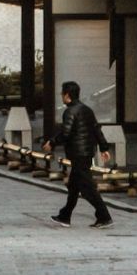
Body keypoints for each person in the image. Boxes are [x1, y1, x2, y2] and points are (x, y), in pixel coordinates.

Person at [44, 80, 113, 229]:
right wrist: (104, 147)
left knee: (87, 187)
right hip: (87, 152)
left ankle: (104, 216)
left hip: (77, 153)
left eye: (62, 93)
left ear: (67, 95)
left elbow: (66, 133)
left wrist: (52, 142)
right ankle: (65, 215)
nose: (61, 96)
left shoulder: (69, 112)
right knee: (74, 186)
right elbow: (96, 129)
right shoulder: (87, 110)